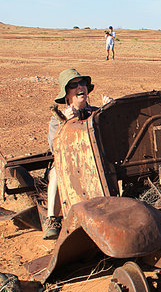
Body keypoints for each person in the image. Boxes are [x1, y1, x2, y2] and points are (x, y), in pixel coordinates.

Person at [44, 68, 114, 239]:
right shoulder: (58, 119)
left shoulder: (97, 112)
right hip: (70, 163)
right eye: (73, 85)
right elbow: (55, 148)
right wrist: (66, 123)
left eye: (82, 83)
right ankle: (52, 219)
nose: (80, 87)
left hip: (95, 161)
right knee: (55, 173)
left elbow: (112, 136)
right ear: (67, 95)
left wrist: (109, 111)